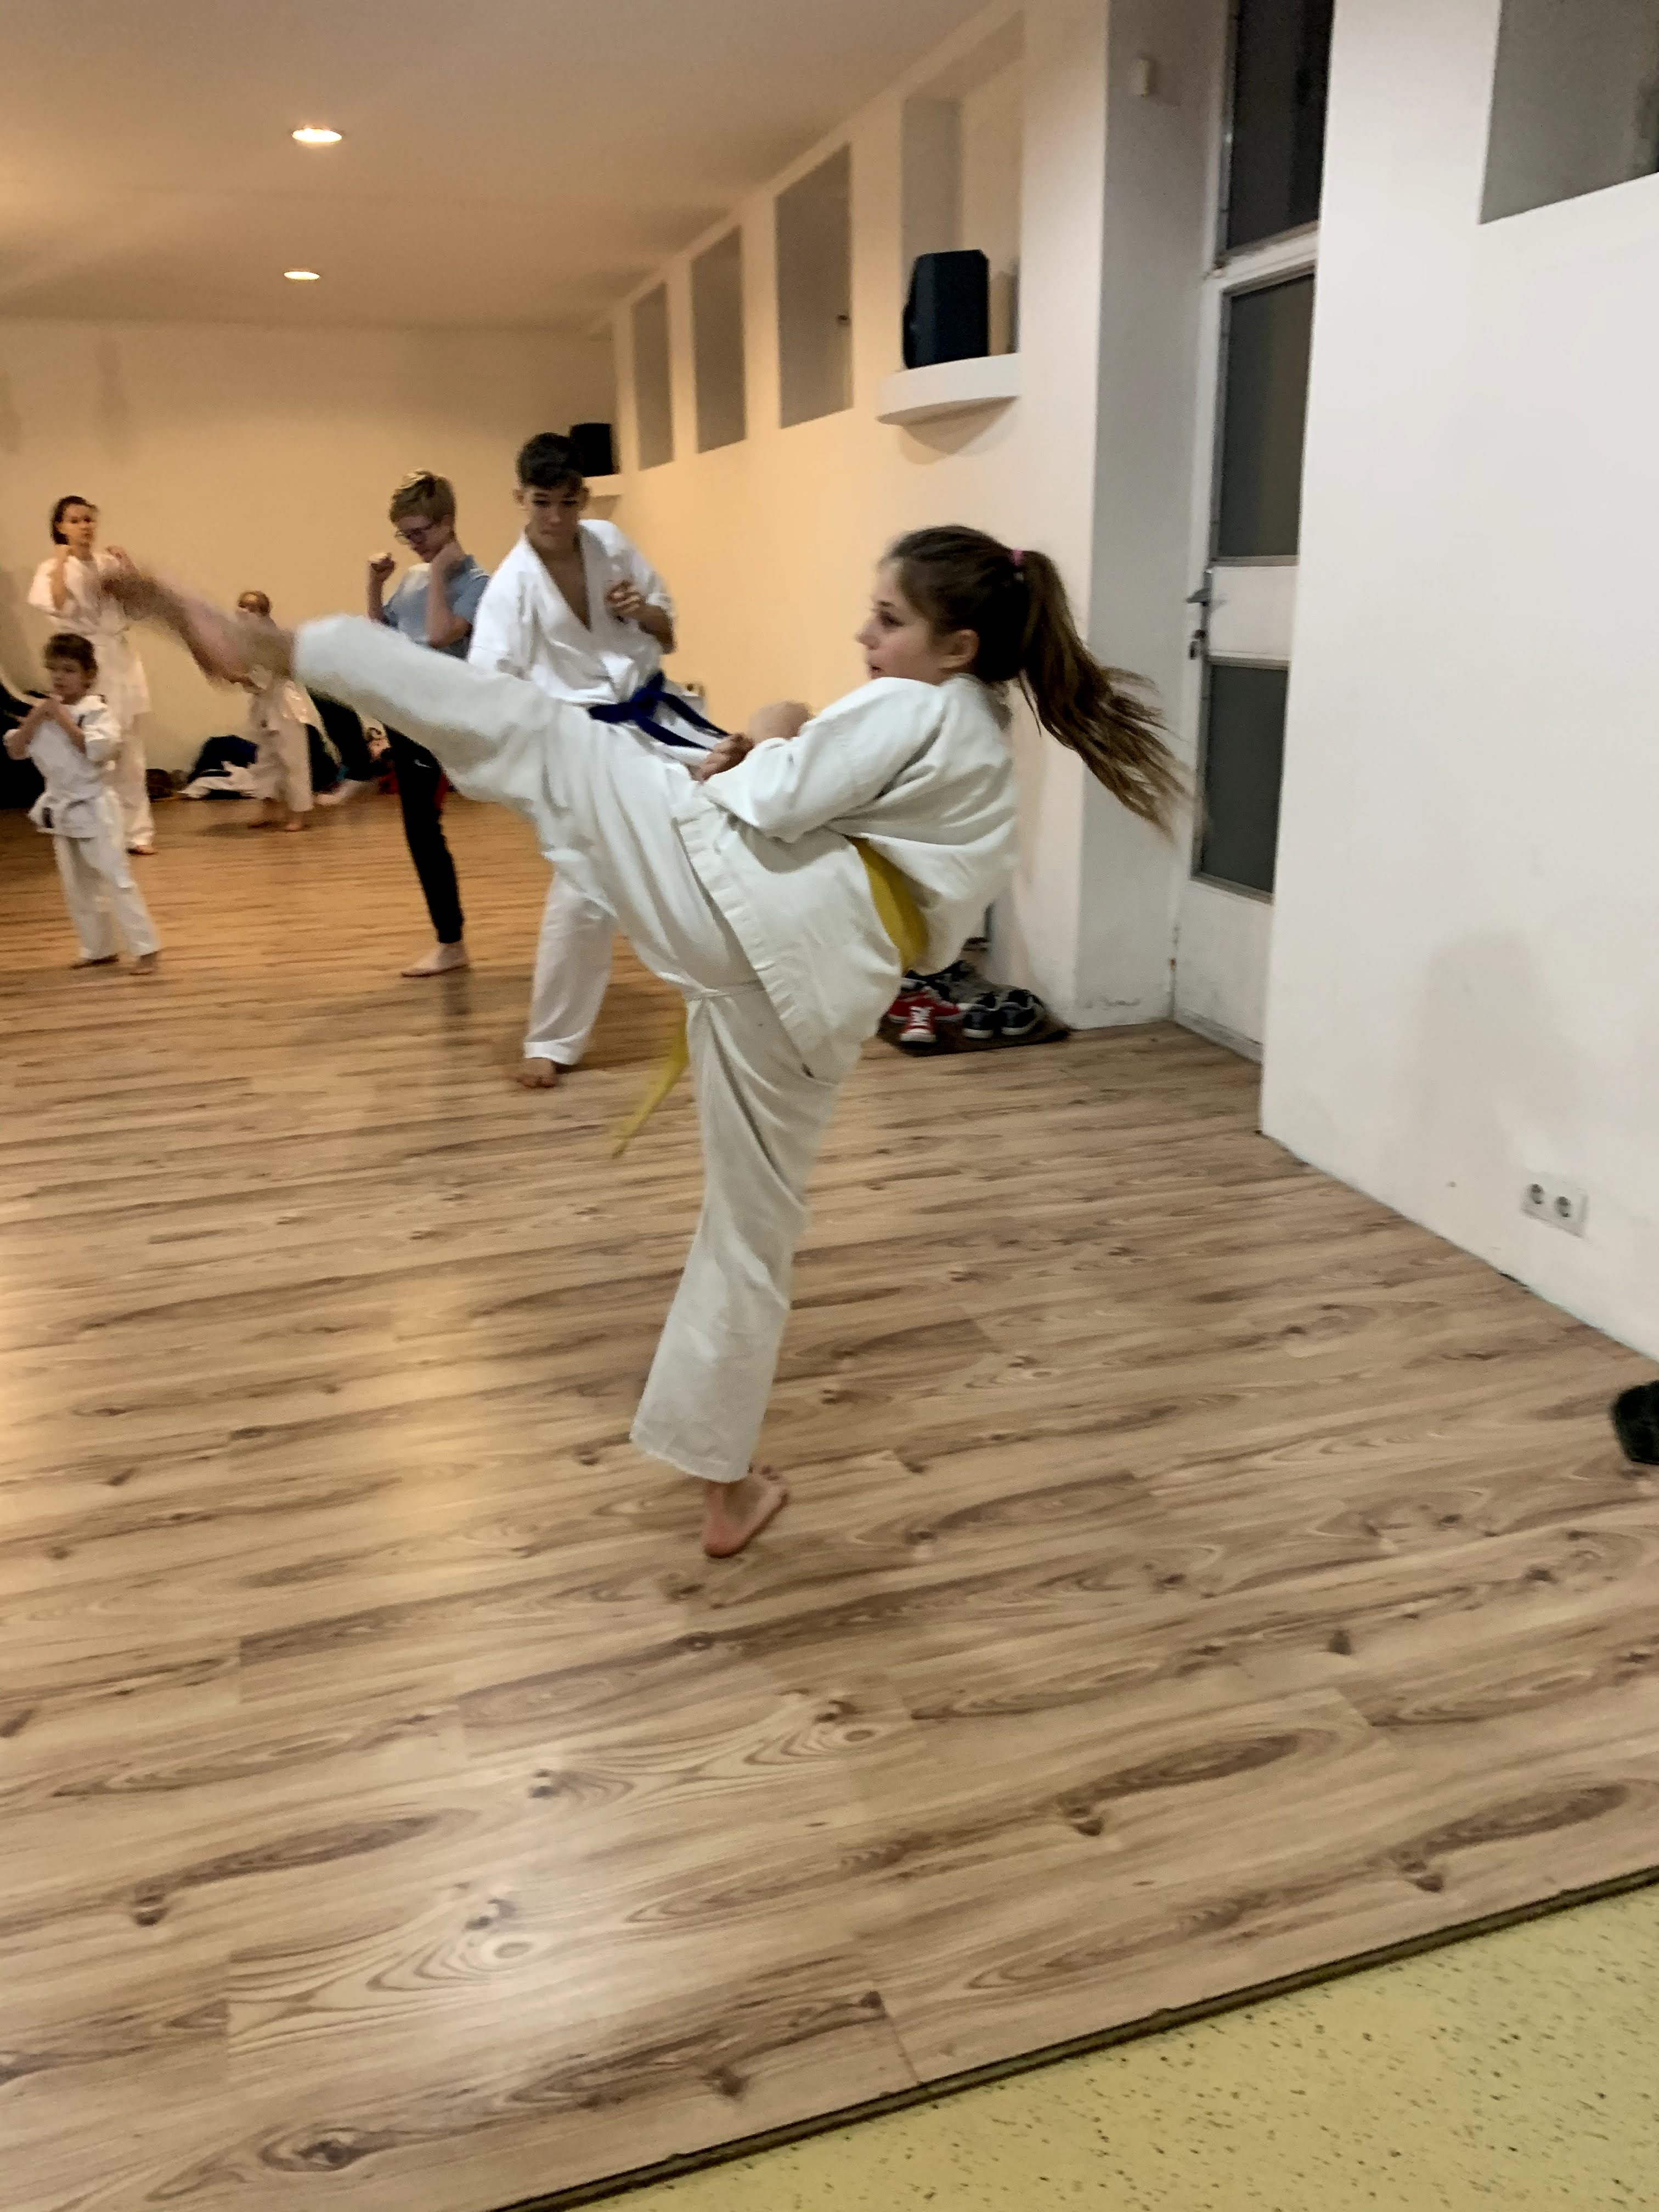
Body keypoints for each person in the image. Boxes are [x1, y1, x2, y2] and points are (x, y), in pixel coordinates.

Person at [109, 527, 1181, 1557]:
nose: (867, 633)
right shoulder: (983, 748)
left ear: (958, 646)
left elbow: (781, 794)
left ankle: (280, 647)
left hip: (738, 902)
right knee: (751, 1230)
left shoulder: (918, 701)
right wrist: (774, 747)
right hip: (815, 985)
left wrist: (756, 747)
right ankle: (727, 1485)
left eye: (889, 618)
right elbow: (919, 902)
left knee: (538, 735)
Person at [470, 431, 719, 1090]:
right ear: (520, 498)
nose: (556, 517)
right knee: (584, 885)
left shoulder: (609, 544)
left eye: (569, 502)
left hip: (658, 718)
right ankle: (551, 1040)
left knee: (733, 818)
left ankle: (759, 991)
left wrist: (644, 612)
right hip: (584, 746)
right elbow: (490, 690)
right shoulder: (511, 589)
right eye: (542, 502)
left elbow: (667, 628)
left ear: (584, 497)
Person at [360, 470, 490, 975]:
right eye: (405, 534)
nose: (412, 543)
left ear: (447, 523)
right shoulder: (413, 578)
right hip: (408, 715)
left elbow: (439, 635)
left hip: (448, 718)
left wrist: (439, 573)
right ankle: (451, 943)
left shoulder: (478, 584)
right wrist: (375, 585)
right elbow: (381, 635)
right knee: (420, 828)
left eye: (419, 532)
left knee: (427, 827)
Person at [5, 632, 160, 974]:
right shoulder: (43, 713)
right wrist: (37, 717)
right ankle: (98, 947)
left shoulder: (97, 712)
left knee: (117, 878)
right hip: (62, 807)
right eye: (53, 669)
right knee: (78, 886)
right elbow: (16, 750)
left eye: (69, 670)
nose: (59, 677)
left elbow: (96, 751)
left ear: (89, 675)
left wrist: (60, 716)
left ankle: (146, 949)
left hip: (96, 805)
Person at [28, 497, 155, 854]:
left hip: (119, 659)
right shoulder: (51, 568)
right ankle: (96, 832)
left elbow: (138, 608)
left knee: (129, 749)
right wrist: (60, 560)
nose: (85, 526)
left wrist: (128, 569)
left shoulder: (108, 564)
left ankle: (138, 833)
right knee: (91, 746)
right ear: (60, 527)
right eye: (75, 521)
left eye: (88, 519)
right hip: (82, 660)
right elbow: (57, 604)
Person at [236, 590, 323, 831]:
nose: (243, 612)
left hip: (286, 706)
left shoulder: (271, 638)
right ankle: (268, 807)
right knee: (266, 760)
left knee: (292, 762)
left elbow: (261, 678)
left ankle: (298, 814)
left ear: (263, 612)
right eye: (241, 606)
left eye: (250, 607)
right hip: (264, 707)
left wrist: (231, 675)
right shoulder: (245, 639)